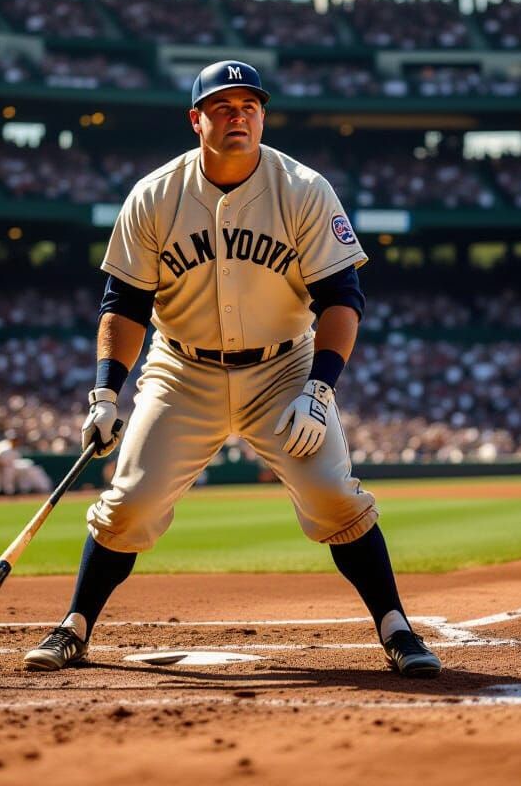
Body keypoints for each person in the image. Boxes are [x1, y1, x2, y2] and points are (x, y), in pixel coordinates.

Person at [24, 59, 440, 678]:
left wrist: (320, 389)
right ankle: (74, 626)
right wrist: (105, 396)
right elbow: (125, 305)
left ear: (263, 116)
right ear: (196, 120)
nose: (237, 116)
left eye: (249, 106)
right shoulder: (155, 195)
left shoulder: (303, 188)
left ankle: (396, 628)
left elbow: (342, 300)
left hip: (283, 369)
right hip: (181, 370)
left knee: (333, 496)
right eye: (222, 106)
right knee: (130, 503)